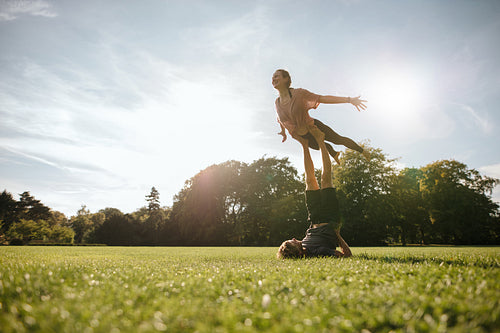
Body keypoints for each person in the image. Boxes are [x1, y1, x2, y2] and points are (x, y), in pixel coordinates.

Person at [276, 130, 352, 259]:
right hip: (330, 217)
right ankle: (321, 141)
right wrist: (337, 235)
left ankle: (305, 145)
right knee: (325, 178)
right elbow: (347, 255)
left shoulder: (304, 244)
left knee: (310, 181)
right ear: (299, 252)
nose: (294, 238)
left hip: (314, 217)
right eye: (292, 242)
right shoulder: (318, 251)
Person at [272, 69, 369, 164]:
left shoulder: (299, 93)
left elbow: (322, 98)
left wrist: (349, 100)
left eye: (276, 76)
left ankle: (362, 151)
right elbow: (280, 119)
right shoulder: (277, 103)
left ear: (286, 79)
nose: (273, 78)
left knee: (338, 140)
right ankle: (334, 153)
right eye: (272, 77)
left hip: (314, 127)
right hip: (303, 136)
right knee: (321, 146)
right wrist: (283, 132)